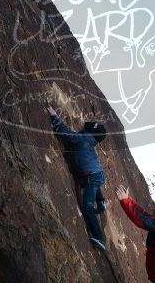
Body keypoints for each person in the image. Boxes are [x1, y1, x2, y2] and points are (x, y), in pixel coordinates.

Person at [46, 105, 108, 251]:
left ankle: (100, 239)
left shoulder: (84, 138)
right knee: (94, 183)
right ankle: (101, 202)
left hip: (91, 177)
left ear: (88, 131)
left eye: (84, 126)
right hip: (97, 175)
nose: (80, 125)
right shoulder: (90, 141)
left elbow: (66, 134)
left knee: (87, 207)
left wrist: (55, 117)